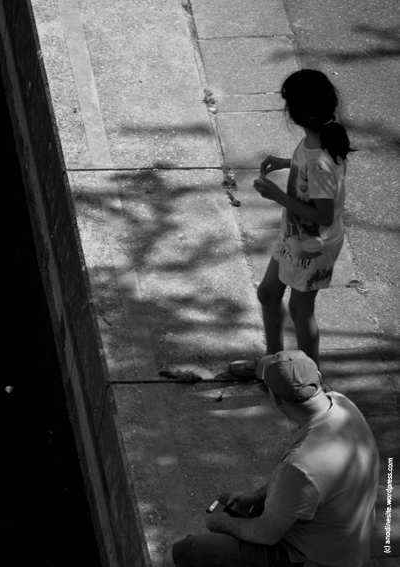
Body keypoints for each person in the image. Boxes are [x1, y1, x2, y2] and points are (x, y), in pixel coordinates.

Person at [164, 350, 379, 567]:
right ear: (318, 379)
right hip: (342, 547)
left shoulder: (302, 464)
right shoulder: (343, 404)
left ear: (274, 398)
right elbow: (305, 483)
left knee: (178, 554)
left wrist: (223, 523)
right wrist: (256, 496)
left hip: (308, 559)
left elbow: (266, 534)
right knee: (223, 502)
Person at [230, 69, 354, 378]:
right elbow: (310, 169)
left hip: (313, 246)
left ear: (300, 113)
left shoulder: (320, 163)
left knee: (300, 311)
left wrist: (277, 195)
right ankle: (273, 365)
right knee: (268, 294)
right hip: (295, 236)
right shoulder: (318, 139)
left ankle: (309, 382)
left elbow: (324, 216)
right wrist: (288, 163)